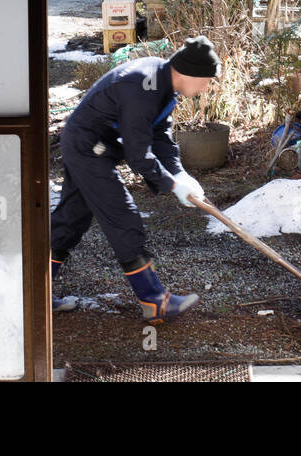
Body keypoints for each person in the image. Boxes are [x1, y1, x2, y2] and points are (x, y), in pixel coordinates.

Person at [50, 35, 221, 322]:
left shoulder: (163, 85)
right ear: (188, 73)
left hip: (96, 146)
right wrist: (171, 185)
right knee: (123, 215)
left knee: (71, 219)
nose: (206, 87)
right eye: (205, 80)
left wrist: (180, 173)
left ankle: (31, 294)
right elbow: (138, 151)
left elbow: (160, 137)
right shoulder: (142, 85)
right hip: (88, 147)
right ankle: (154, 301)